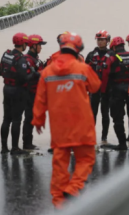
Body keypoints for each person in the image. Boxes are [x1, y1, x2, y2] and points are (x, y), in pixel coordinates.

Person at [32, 32, 100, 209]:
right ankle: (74, 187)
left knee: (60, 164)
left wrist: (38, 120)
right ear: (78, 49)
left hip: (59, 126)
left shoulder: (47, 71)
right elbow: (96, 86)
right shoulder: (82, 68)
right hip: (82, 124)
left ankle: (58, 201)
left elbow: (40, 99)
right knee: (85, 159)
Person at [0, 33, 36, 155]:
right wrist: (34, 74)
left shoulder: (6, 54)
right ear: (24, 44)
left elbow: (0, 71)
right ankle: (15, 148)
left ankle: (4, 148)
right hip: (17, 91)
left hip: (6, 88)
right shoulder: (21, 59)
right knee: (16, 120)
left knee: (6, 119)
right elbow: (24, 77)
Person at [106, 37, 129, 151]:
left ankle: (122, 143)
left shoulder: (112, 57)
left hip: (116, 90)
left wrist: (104, 90)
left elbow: (107, 73)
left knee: (117, 118)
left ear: (113, 47)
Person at [85, 30, 112, 145]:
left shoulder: (112, 54)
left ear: (107, 41)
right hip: (93, 90)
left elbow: (120, 62)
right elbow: (84, 69)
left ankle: (104, 138)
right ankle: (90, 137)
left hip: (107, 90)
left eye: (102, 40)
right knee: (92, 114)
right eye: (98, 40)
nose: (100, 42)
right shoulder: (91, 55)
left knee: (105, 115)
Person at [22, 34, 47, 151]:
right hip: (29, 94)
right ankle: (27, 144)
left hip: (36, 93)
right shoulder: (27, 59)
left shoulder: (36, 59)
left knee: (31, 117)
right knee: (28, 118)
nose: (41, 48)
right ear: (33, 46)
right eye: (40, 45)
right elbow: (27, 77)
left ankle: (29, 143)